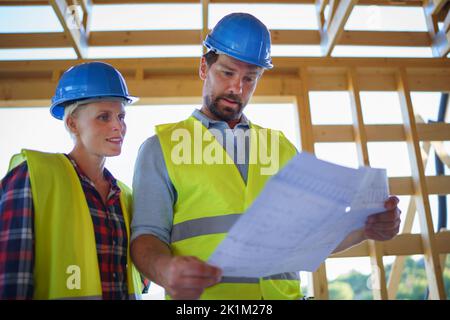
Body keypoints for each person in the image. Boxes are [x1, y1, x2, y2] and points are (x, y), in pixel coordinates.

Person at [130, 13, 401, 300]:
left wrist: (366, 229)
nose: (238, 88)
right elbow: (146, 236)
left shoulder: (280, 147)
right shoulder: (160, 148)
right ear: (203, 68)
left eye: (250, 78)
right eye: (227, 73)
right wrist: (166, 269)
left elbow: (309, 237)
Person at [0, 61, 143, 300]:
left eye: (121, 116)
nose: (118, 126)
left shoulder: (125, 196)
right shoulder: (33, 177)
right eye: (103, 117)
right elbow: (10, 279)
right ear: (72, 123)